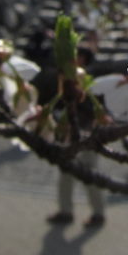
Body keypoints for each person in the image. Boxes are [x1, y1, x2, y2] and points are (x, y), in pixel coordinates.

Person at [47, 48, 106, 228]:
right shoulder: (65, 78)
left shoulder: (91, 79)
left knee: (89, 174)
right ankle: (66, 211)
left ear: (82, 59)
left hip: (87, 133)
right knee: (65, 174)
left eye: (76, 56)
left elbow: (94, 107)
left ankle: (98, 213)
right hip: (70, 133)